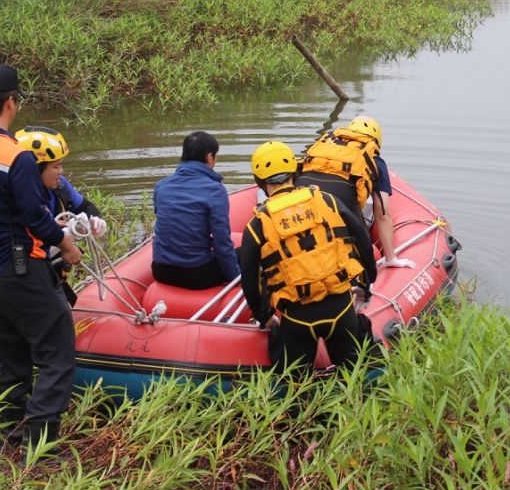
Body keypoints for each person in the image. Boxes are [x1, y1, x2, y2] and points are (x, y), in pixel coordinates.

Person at [0, 64, 82, 453]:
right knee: (57, 349)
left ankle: (7, 431)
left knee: (8, 355)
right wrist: (67, 243)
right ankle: (39, 442)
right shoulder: (16, 156)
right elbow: (32, 216)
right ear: (11, 103)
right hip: (18, 268)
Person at [240, 141, 378, 374]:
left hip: (296, 319)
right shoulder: (326, 200)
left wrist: (263, 317)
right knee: (355, 378)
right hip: (341, 310)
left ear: (259, 182)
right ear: (296, 172)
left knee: (295, 388)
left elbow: (250, 281)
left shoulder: (257, 225)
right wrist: (366, 284)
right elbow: (363, 241)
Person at [296, 115, 413, 269]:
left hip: (301, 200)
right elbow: (382, 213)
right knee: (362, 246)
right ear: (376, 140)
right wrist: (391, 258)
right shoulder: (374, 160)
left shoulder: (322, 146)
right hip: (341, 203)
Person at [15, 126, 107, 305]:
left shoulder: (59, 187)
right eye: (56, 166)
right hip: (24, 277)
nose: (61, 172)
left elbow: (86, 206)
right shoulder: (18, 202)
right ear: (33, 170)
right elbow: (20, 259)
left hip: (49, 270)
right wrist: (65, 240)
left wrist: (95, 220)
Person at [151, 131, 238, 290]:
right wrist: (237, 279)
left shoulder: (161, 186)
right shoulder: (215, 190)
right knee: (246, 254)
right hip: (197, 275)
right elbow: (222, 242)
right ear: (210, 157)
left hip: (160, 271)